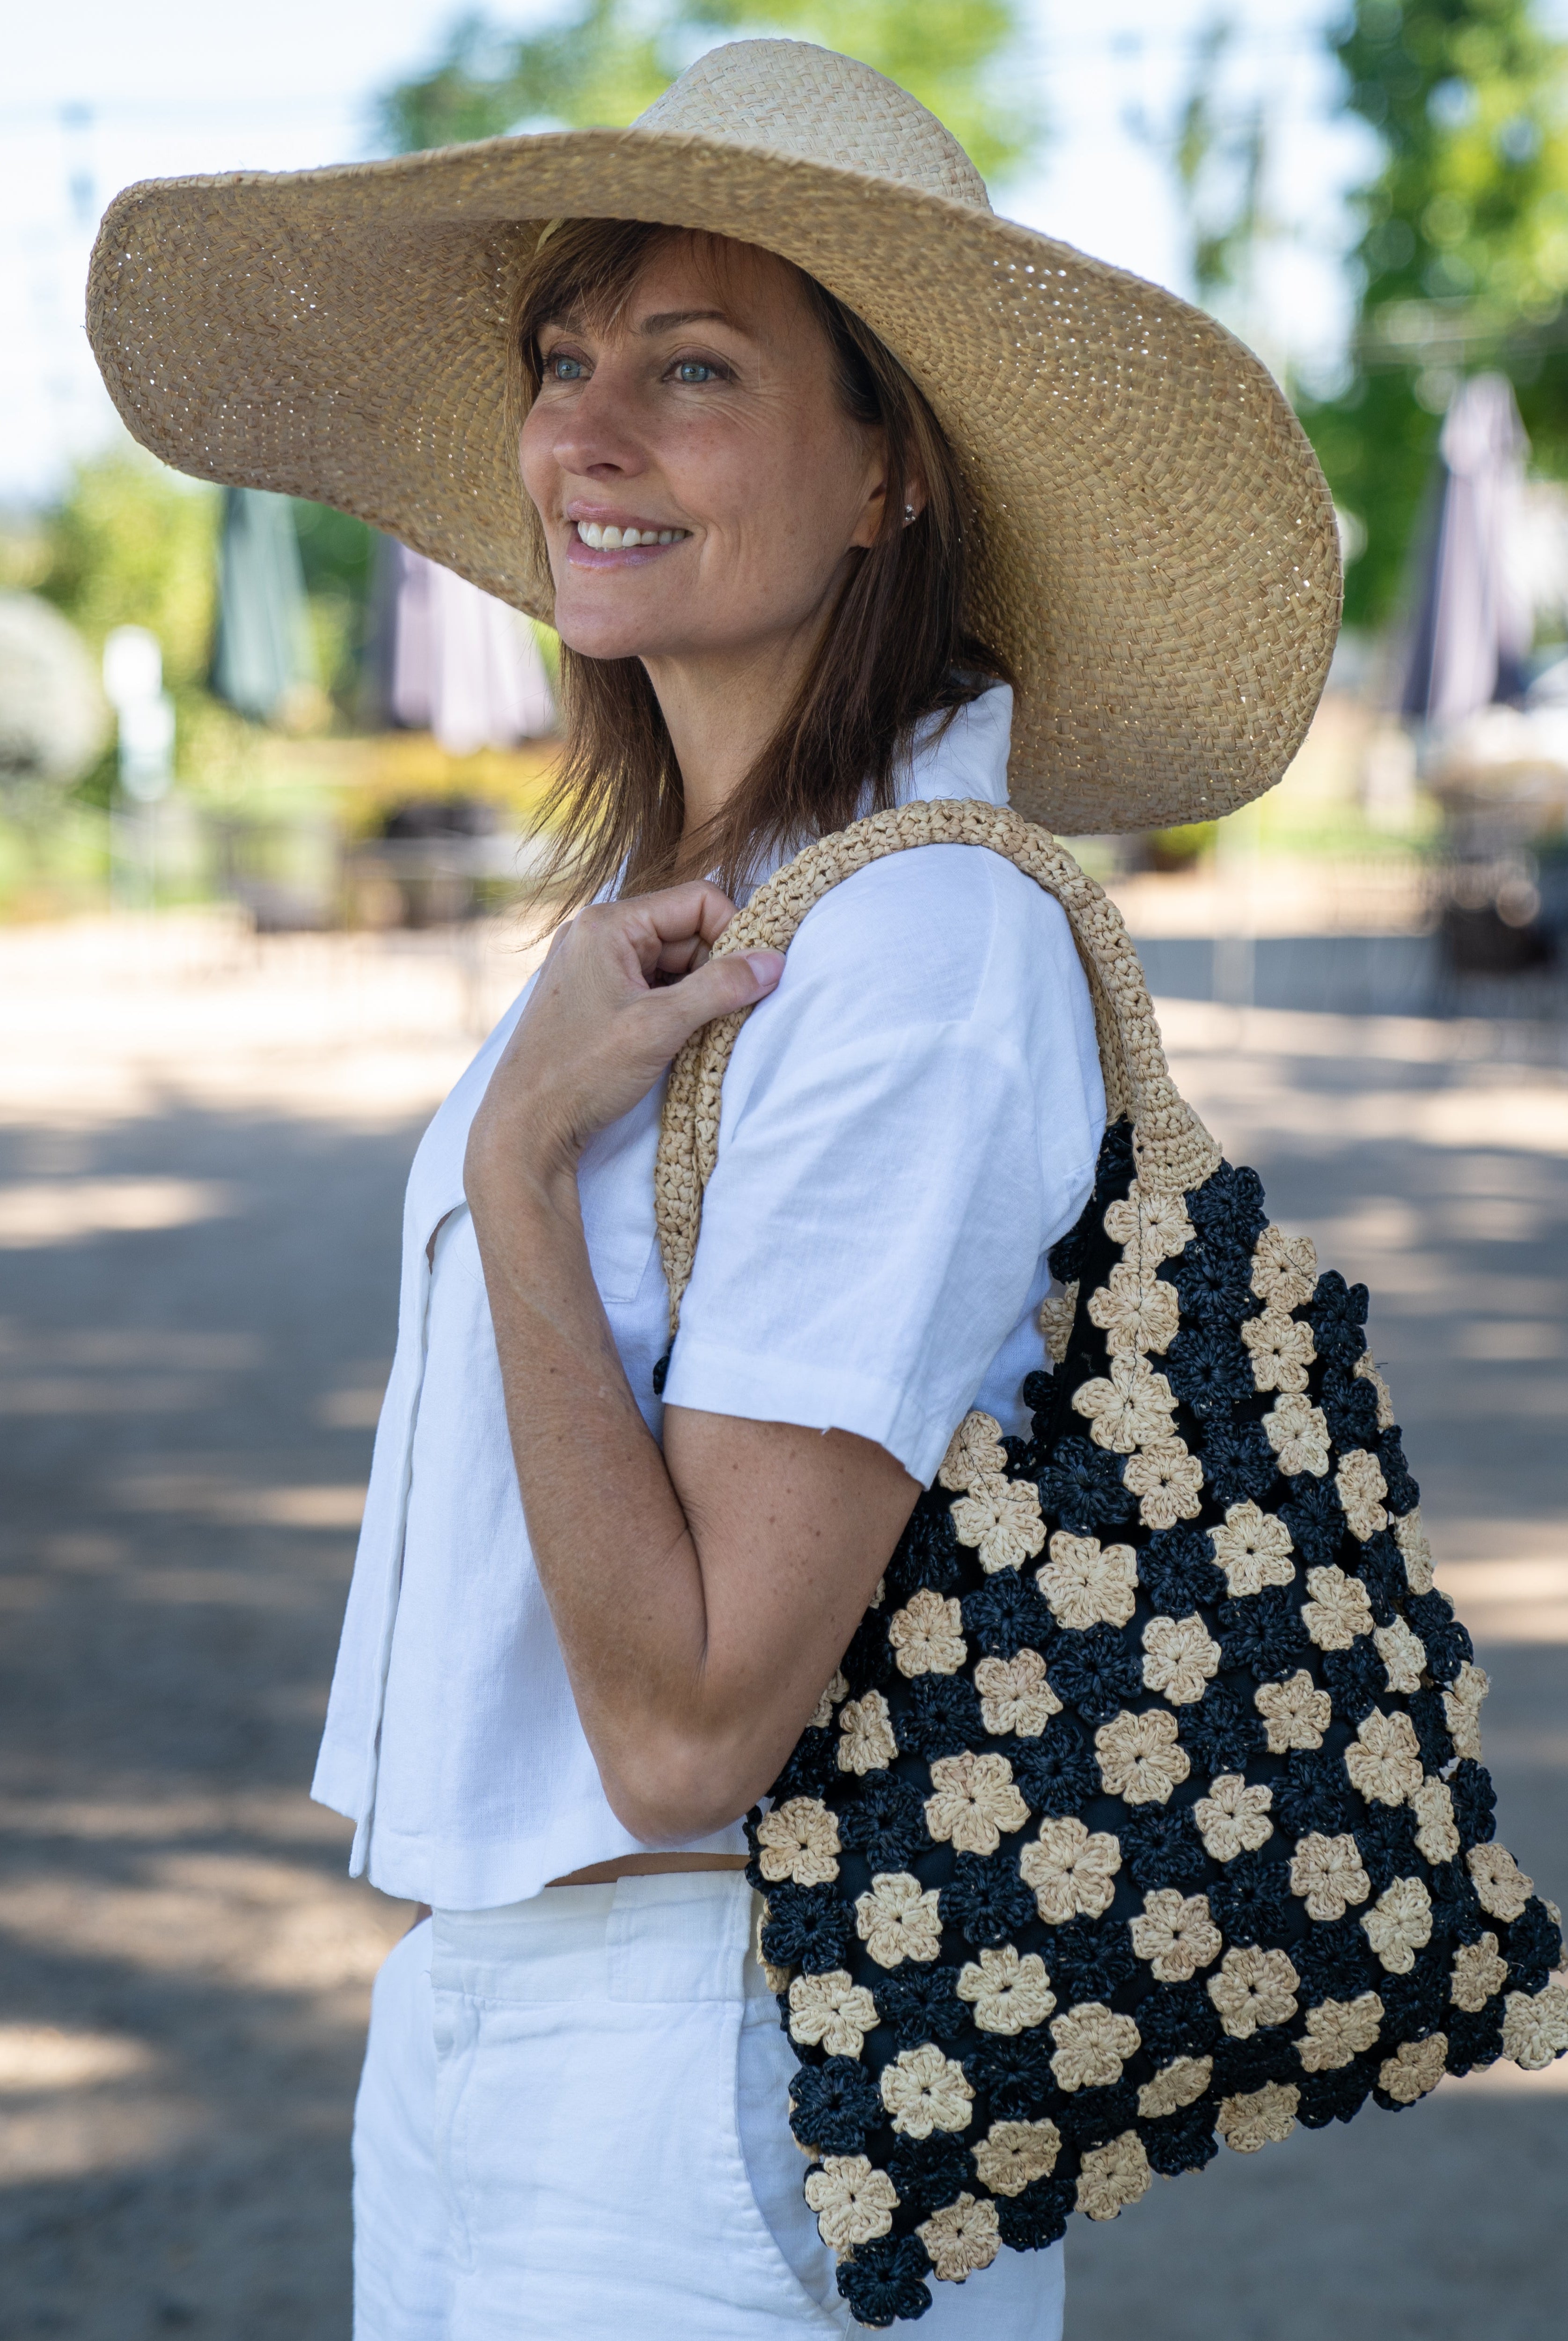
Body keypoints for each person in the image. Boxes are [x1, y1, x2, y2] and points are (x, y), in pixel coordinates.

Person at [86, 38, 1338, 2339]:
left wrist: (510, 1165)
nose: (585, 430)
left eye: (693, 367)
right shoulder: (714, 916)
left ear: (887, 477)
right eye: (567, 361)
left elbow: (681, 1729)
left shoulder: (920, 954)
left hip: (737, 2056)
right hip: (513, 2021)